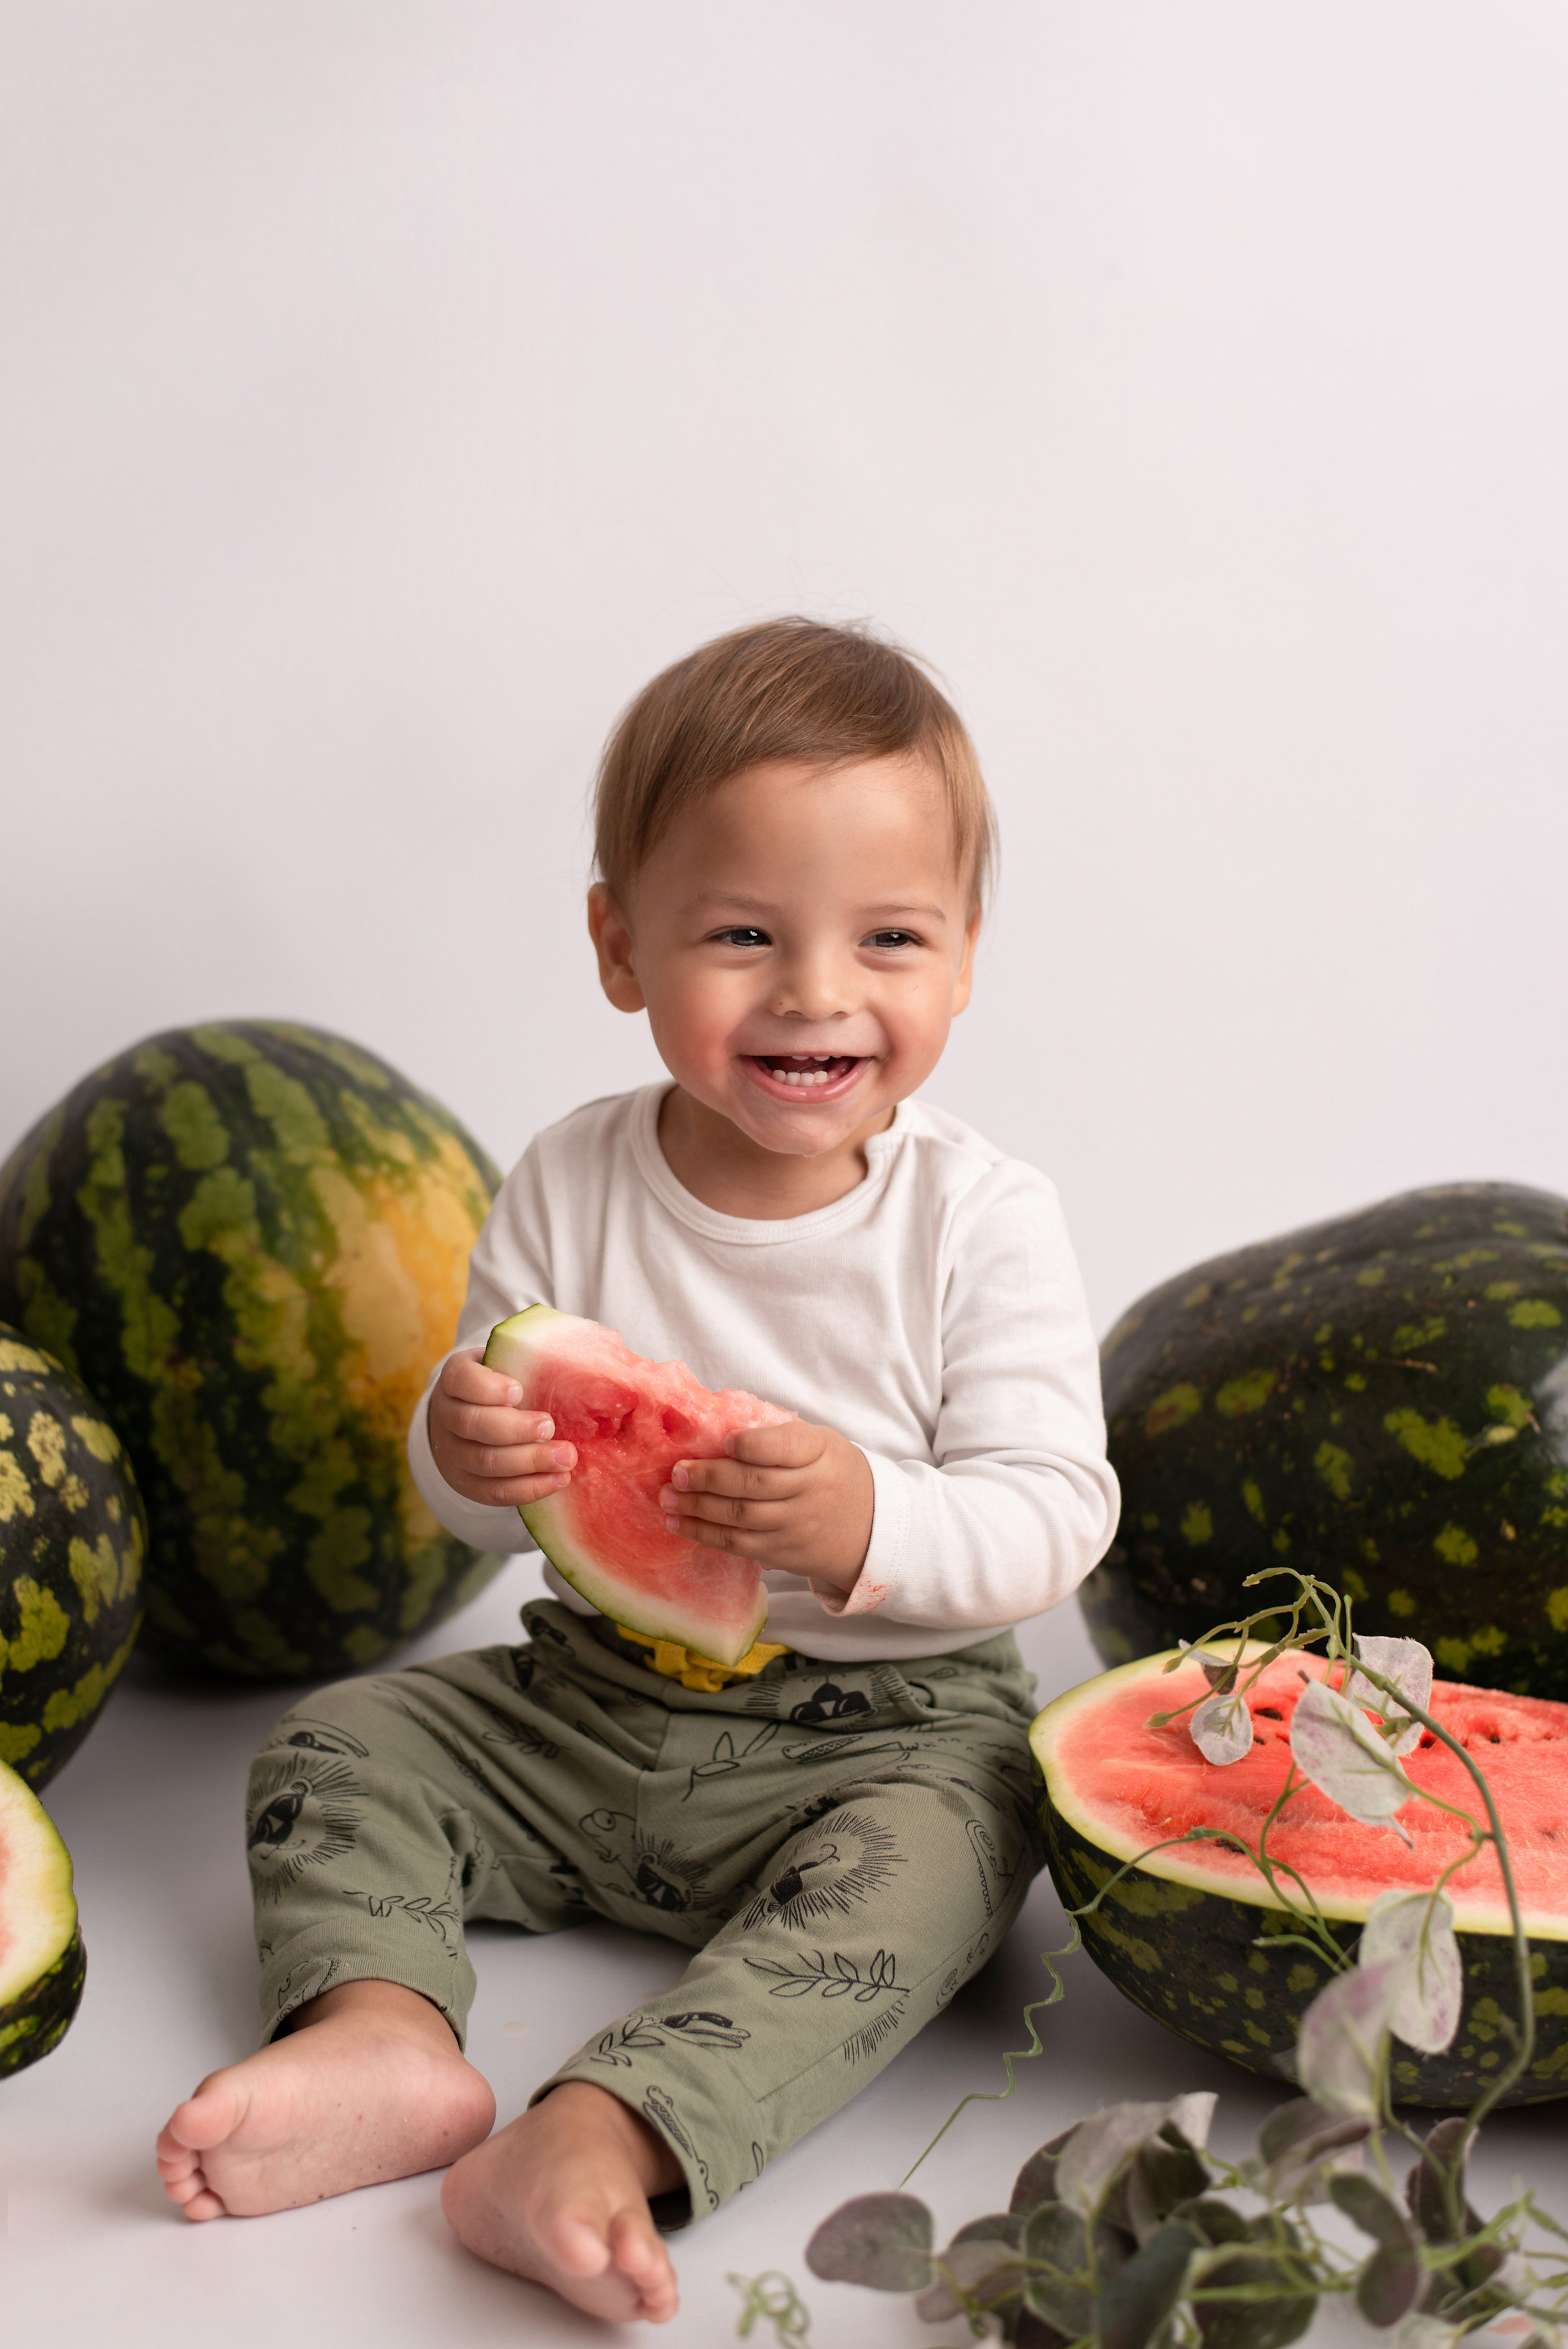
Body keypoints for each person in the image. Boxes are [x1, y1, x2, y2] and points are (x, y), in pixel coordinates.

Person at [154, 618, 1119, 2324]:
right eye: (744, 933)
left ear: (965, 958)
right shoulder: (569, 1178)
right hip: (586, 1707)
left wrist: (870, 1520)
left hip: (882, 1739)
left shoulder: (984, 1220)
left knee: (943, 1871)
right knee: (339, 1732)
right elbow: (486, 1502)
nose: (818, 991)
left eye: (889, 937)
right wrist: (463, 1448)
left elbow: (1059, 1507)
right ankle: (381, 2031)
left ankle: (607, 2129)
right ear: (622, 945)